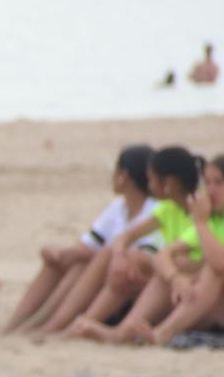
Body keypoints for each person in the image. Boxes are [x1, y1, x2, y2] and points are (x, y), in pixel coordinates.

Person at [6, 144, 157, 334]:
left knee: (86, 261)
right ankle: (16, 326)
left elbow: (137, 258)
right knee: (61, 260)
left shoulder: (153, 210)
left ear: (123, 175)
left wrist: (78, 253)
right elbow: (86, 245)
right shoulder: (119, 207)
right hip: (105, 278)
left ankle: (50, 326)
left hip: (128, 288)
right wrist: (61, 252)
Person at [68, 147, 208, 343]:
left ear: (168, 184)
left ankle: (96, 328)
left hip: (190, 283)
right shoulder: (169, 209)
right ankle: (76, 325)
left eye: (151, 179)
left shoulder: (199, 213)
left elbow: (195, 262)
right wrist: (119, 257)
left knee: (143, 261)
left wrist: (168, 270)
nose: (148, 186)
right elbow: (125, 237)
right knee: (121, 262)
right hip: (171, 276)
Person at [139, 153, 224, 344]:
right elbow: (163, 255)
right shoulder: (217, 219)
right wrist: (176, 278)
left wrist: (201, 223)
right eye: (208, 183)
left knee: (217, 269)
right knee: (178, 266)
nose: (210, 190)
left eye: (219, 183)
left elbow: (223, 263)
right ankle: (126, 329)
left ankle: (164, 332)